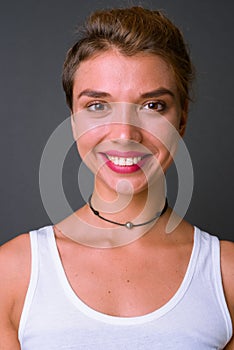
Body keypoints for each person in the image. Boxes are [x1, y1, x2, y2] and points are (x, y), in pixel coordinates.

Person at [0, 6, 233, 349]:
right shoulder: (12, 272)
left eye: (152, 105)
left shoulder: (226, 276)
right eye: (98, 106)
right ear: (74, 120)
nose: (125, 134)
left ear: (181, 121)